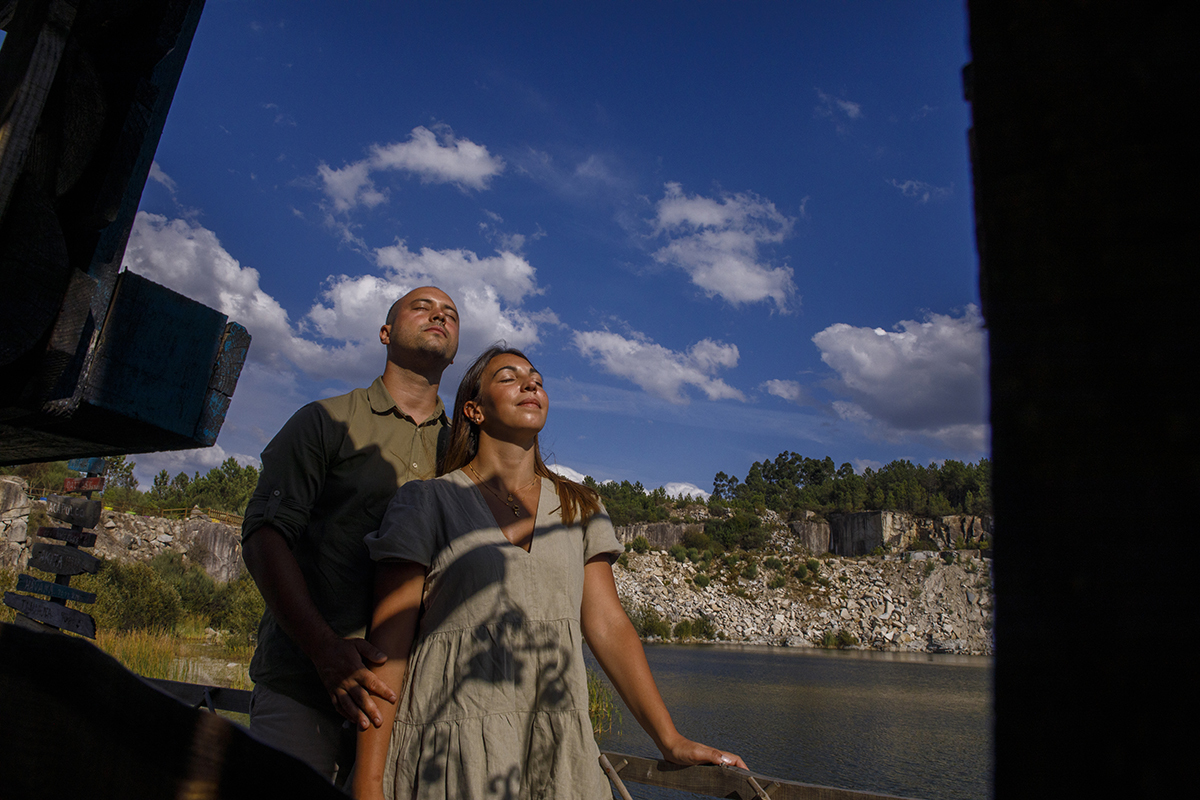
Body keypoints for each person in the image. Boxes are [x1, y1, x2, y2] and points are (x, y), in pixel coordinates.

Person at [354, 345, 746, 800]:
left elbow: (608, 626)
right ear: (474, 410)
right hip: (451, 748)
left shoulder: (582, 506)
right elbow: (388, 647)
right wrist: (368, 782)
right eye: (508, 377)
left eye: (536, 378)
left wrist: (669, 739)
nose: (530, 383)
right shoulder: (425, 502)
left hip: (557, 752)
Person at [241, 286, 460, 780]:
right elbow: (263, 538)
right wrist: (324, 650)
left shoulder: (464, 449)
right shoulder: (325, 421)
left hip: (414, 706)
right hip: (304, 685)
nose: (438, 315)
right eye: (421, 307)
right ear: (385, 333)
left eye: (450, 313)